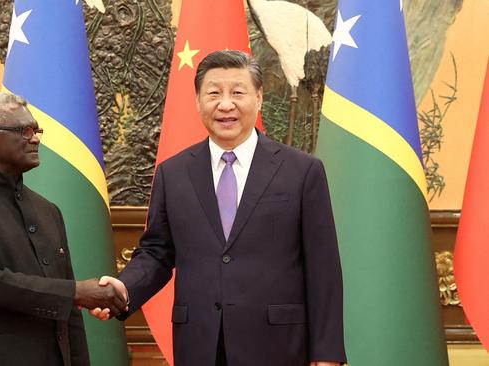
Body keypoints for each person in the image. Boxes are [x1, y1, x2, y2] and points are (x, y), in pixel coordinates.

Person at [94, 50, 346, 365]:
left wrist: (327, 355)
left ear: (259, 97)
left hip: (279, 346)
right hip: (201, 345)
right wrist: (124, 287)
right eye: (214, 93)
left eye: (237, 92)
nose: (225, 104)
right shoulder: (173, 173)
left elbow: (323, 270)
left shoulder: (303, 171)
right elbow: (157, 252)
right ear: (198, 101)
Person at [0, 92, 126, 366]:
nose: (36, 138)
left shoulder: (48, 210)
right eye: (24, 130)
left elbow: (70, 318)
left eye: (37, 130)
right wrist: (76, 292)